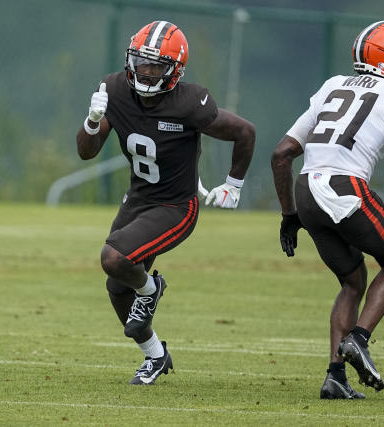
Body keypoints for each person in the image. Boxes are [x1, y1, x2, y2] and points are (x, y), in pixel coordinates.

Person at [270, 20, 384, 399]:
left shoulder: (333, 85)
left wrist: (290, 215)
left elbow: (281, 154)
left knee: (353, 281)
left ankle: (335, 377)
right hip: (345, 187)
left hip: (306, 190)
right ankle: (358, 338)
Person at [76, 20, 255, 385]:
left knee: (114, 258)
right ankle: (155, 356)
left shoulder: (189, 102)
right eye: (140, 62)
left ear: (174, 70)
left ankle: (151, 288)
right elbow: (86, 151)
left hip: (177, 206)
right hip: (139, 198)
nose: (145, 71)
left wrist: (233, 184)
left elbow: (244, 132)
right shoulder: (114, 89)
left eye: (155, 65)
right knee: (116, 287)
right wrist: (93, 120)